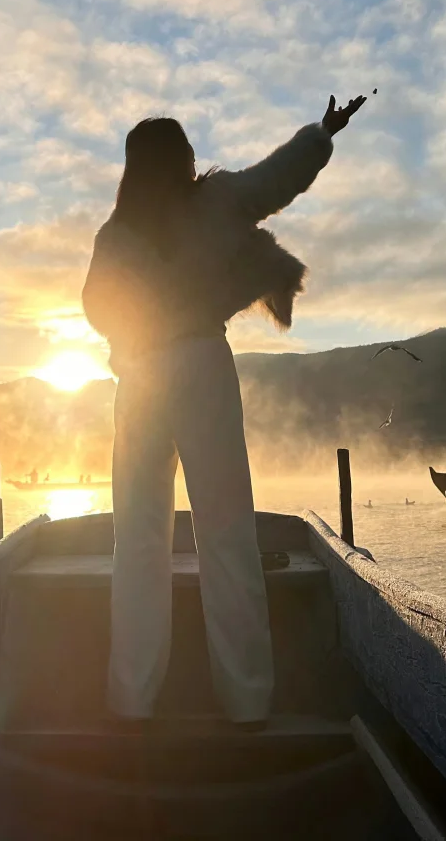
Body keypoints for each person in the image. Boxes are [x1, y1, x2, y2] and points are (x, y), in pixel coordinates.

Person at [83, 93, 365, 725]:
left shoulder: (116, 234)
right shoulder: (214, 201)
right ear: (181, 160)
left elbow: (96, 307)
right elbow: (279, 177)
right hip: (202, 365)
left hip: (141, 377)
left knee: (139, 540)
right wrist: (324, 130)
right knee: (226, 532)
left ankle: (131, 700)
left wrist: (138, 330)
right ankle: (246, 701)